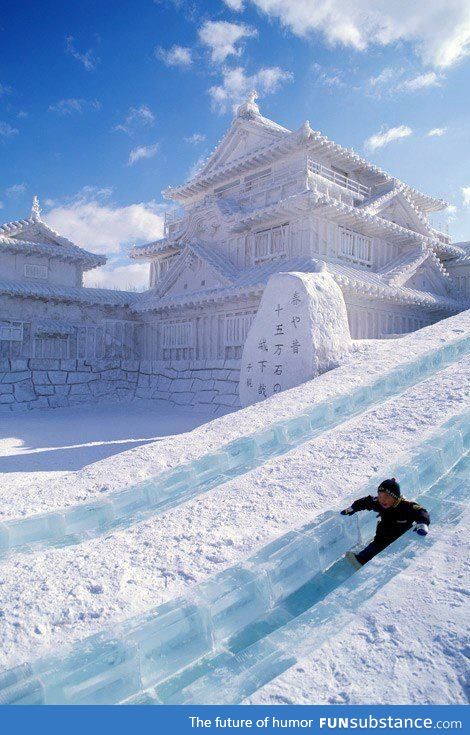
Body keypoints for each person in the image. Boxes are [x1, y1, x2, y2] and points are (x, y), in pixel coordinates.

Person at [341, 478, 430, 569]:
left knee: (381, 547)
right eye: (380, 496)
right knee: (376, 544)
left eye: (386, 496)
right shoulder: (379, 503)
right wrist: (352, 508)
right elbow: (366, 501)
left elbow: (420, 511)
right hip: (383, 534)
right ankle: (361, 559)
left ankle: (364, 560)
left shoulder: (405, 506)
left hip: (400, 537)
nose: (382, 500)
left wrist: (422, 524)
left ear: (395, 496)